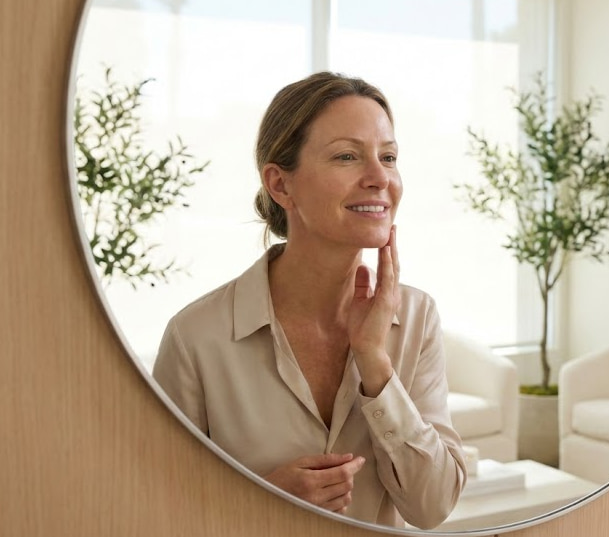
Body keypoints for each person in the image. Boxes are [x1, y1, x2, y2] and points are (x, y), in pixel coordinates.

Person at [152, 72, 466, 529]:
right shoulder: (196, 338)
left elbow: (432, 508)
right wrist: (261, 502)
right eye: (347, 156)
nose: (379, 178)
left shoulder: (418, 317)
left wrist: (375, 362)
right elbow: (156, 512)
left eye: (388, 157)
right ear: (281, 185)